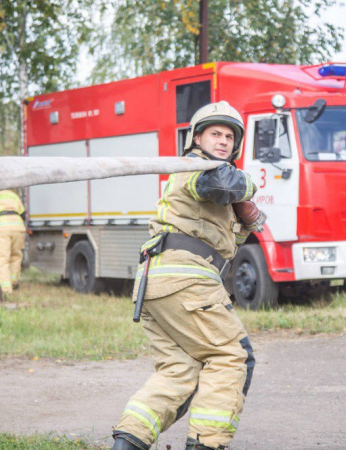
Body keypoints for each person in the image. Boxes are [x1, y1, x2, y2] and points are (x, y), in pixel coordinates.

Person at [111, 101, 265, 450]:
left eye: (229, 136)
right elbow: (222, 185)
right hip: (187, 281)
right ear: (197, 138)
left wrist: (245, 218)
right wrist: (250, 190)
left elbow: (229, 236)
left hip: (157, 282)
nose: (223, 141)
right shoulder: (198, 166)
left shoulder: (213, 179)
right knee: (232, 356)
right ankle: (206, 444)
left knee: (178, 371)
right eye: (215, 134)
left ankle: (126, 443)